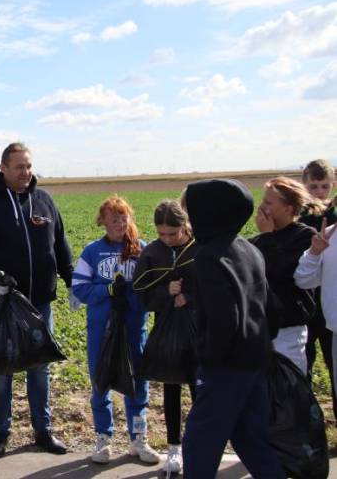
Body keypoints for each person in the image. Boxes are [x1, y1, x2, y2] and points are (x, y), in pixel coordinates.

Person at [0, 142, 74, 458]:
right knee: (2, 367)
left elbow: (61, 244)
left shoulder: (44, 200)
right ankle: (1, 432)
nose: (25, 172)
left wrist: (71, 280)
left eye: (28, 166)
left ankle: (43, 430)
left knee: (40, 367)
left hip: (40, 302)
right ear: (3, 168)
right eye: (18, 167)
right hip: (3, 303)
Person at [181, 179, 285, 479]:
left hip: (226, 365)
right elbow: (273, 306)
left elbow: (222, 317)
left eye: (191, 210)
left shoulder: (208, 256)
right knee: (251, 439)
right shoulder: (249, 248)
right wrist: (261, 343)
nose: (188, 217)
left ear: (209, 213)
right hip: (256, 359)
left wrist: (209, 359)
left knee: (199, 440)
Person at [72, 195, 159, 465]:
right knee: (100, 381)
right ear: (102, 222)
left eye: (124, 218)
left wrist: (133, 295)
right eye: (114, 219)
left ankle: (138, 439)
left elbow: (151, 286)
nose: (120, 223)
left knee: (138, 383)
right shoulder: (91, 251)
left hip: (134, 327)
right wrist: (107, 290)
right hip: (102, 329)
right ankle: (103, 437)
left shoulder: (140, 249)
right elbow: (79, 288)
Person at [132, 199, 197, 474]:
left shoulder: (199, 247)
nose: (168, 239)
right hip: (167, 332)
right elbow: (141, 292)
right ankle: (174, 448)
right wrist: (165, 292)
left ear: (185, 225)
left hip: (199, 331)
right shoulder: (152, 253)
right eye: (162, 234)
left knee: (201, 389)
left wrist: (190, 295)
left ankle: (201, 445)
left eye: (174, 233)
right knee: (171, 388)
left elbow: (217, 284)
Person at [249, 177, 320, 374]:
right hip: (261, 327)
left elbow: (284, 274)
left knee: (289, 383)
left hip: (288, 327)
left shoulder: (304, 236)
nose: (261, 207)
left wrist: (267, 237)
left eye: (268, 202)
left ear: (288, 209)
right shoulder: (256, 240)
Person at [299, 159, 337, 417]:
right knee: (304, 364)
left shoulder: (335, 217)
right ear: (304, 186)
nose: (319, 192)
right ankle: (306, 420)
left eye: (325, 186)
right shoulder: (299, 217)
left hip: (330, 302)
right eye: (313, 186)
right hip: (305, 302)